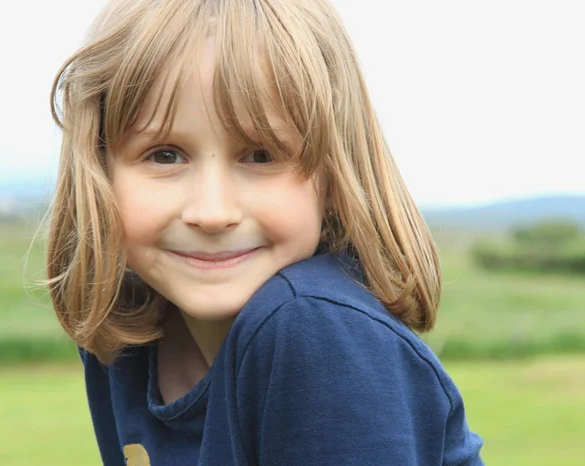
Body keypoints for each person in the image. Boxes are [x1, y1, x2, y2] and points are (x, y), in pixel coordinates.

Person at [46, 0, 484, 464]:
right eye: (165, 155)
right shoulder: (123, 337)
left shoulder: (313, 330)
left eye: (260, 155)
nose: (212, 213)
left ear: (334, 177)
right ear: (100, 171)